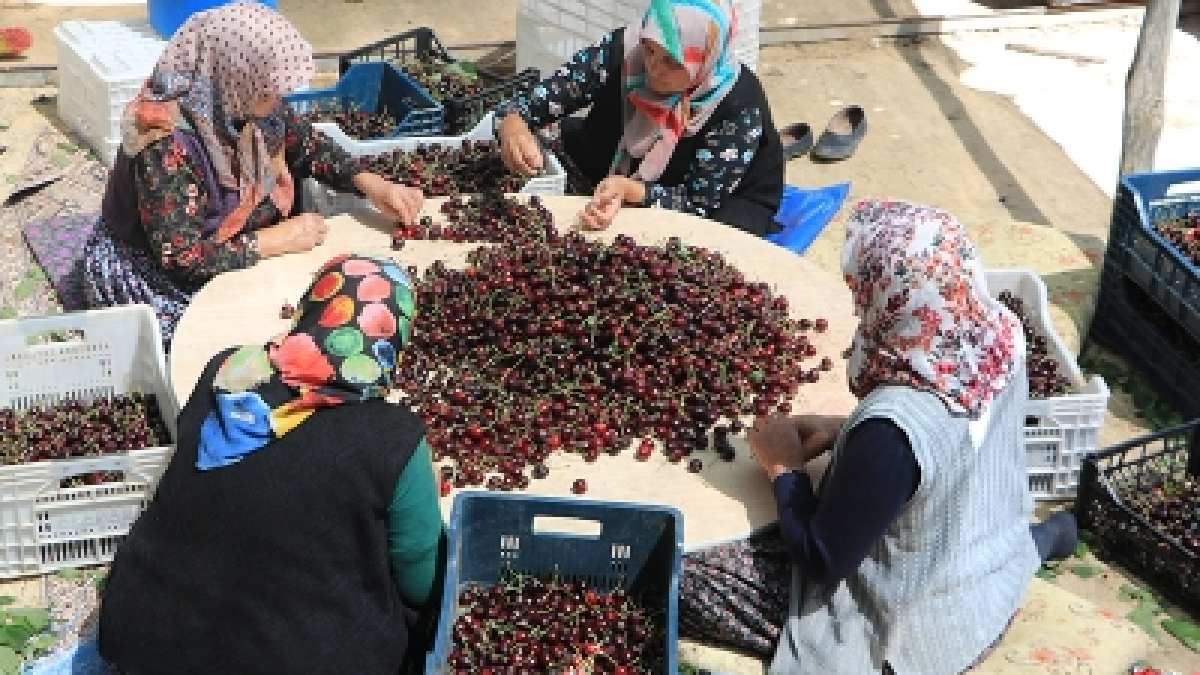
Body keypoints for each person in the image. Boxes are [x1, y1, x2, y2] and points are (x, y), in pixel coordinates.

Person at [677, 200, 1079, 674]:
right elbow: (958, 448)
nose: (857, 302)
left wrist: (783, 469)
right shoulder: (999, 336)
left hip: (914, 629)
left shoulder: (892, 429)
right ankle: (1042, 540)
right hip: (985, 577)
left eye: (861, 290)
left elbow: (822, 559)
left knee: (685, 574)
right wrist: (843, 432)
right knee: (995, 540)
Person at [98, 254, 444, 675]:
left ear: (309, 310)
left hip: (141, 640)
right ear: (391, 345)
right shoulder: (393, 438)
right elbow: (421, 579)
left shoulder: (225, 371)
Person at [84, 2, 424, 347]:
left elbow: (306, 144)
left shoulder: (245, 100)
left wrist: (371, 185)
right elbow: (180, 257)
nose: (278, 99)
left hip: (233, 242)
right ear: (235, 77)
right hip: (160, 268)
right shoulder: (164, 145)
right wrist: (275, 240)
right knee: (231, 343)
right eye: (267, 89)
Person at [494, 0, 784, 236]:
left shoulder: (737, 104)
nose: (653, 69)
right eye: (649, 49)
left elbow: (698, 202)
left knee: (694, 245)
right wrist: (513, 125)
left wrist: (631, 191)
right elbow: (537, 101)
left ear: (706, 58)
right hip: (613, 162)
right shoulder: (624, 49)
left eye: (672, 62)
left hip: (713, 197)